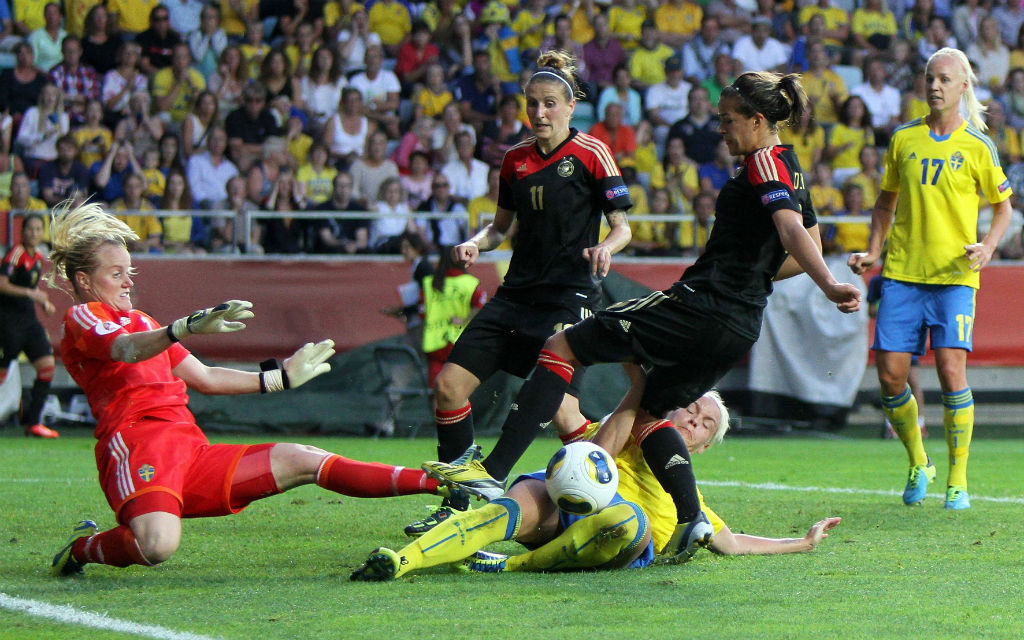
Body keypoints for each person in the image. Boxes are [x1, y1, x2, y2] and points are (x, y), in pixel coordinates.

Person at [425, 70, 861, 560]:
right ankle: (691, 517)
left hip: (699, 303)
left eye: (727, 119)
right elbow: (810, 243)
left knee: (562, 346)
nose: (721, 129)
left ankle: (491, 476)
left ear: (757, 121)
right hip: (741, 325)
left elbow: (790, 234)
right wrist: (755, 279)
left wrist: (827, 284)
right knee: (650, 411)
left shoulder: (761, 162)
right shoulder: (791, 165)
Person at [46, 201, 457, 577]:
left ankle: (442, 483)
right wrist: (181, 328)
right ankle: (83, 548)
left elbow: (205, 377)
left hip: (189, 447)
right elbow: (125, 350)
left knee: (302, 458)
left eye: (129, 272)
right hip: (137, 444)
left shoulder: (140, 319)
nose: (127, 282)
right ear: (83, 280)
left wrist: (280, 378)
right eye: (116, 274)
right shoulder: (82, 317)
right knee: (157, 545)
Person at [404, 50, 632, 537]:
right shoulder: (514, 161)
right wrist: (473, 243)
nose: (540, 113)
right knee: (450, 388)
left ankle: (491, 478)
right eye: (533, 104)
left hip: (570, 297)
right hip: (516, 295)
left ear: (571, 107)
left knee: (547, 390)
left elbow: (622, 226)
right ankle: (458, 504)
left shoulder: (592, 153)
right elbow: (500, 227)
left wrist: (607, 247)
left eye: (550, 104)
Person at [352, 364, 842, 580]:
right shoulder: (625, 429)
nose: (692, 420)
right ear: (670, 411)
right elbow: (567, 411)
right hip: (559, 517)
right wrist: (563, 353)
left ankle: (508, 565)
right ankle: (403, 562)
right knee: (526, 491)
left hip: (610, 537)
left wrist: (802, 542)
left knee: (626, 521)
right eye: (690, 410)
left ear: (705, 447)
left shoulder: (691, 505)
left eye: (704, 424)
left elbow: (733, 542)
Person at [848, 48, 1012, 511]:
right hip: (901, 274)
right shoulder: (904, 139)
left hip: (955, 277)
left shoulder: (979, 146)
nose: (935, 86)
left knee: (950, 370)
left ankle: (957, 480)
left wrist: (988, 246)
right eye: (929, 78)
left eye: (944, 79)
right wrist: (873, 252)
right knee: (889, 376)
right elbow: (884, 202)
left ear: (963, 86)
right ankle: (920, 461)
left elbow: (1003, 207)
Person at [0, 213, 58, 439]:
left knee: (47, 366)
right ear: (22, 232)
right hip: (8, 322)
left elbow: (31, 291)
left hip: (30, 322)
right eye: (30, 229)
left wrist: (44, 302)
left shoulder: (38, 258)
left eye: (37, 229)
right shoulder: (15, 255)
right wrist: (31, 294)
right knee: (2, 374)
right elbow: (2, 283)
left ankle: (33, 422)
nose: (34, 233)